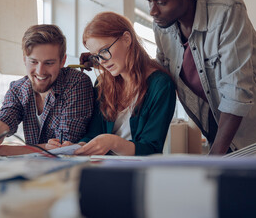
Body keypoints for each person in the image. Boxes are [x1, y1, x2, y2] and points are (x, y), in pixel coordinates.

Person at [140, 0, 256, 155]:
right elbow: (161, 74)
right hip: (220, 129)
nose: (152, 11)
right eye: (148, 0)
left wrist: (214, 158)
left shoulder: (227, 10)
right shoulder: (163, 24)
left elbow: (236, 92)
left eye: (161, 2)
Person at [47, 11, 176, 156]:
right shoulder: (102, 83)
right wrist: (77, 147)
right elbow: (93, 134)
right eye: (96, 56)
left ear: (127, 39)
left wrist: (113, 142)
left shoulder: (161, 85)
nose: (101, 61)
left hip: (137, 171)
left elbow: (151, 149)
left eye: (104, 51)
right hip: (103, 168)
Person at [0, 24, 94, 156]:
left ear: (62, 61)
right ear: (24, 59)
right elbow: (4, 120)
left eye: (49, 63)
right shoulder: (17, 89)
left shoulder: (76, 83)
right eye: (34, 62)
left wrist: (3, 151)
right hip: (32, 169)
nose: (40, 71)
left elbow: (65, 147)